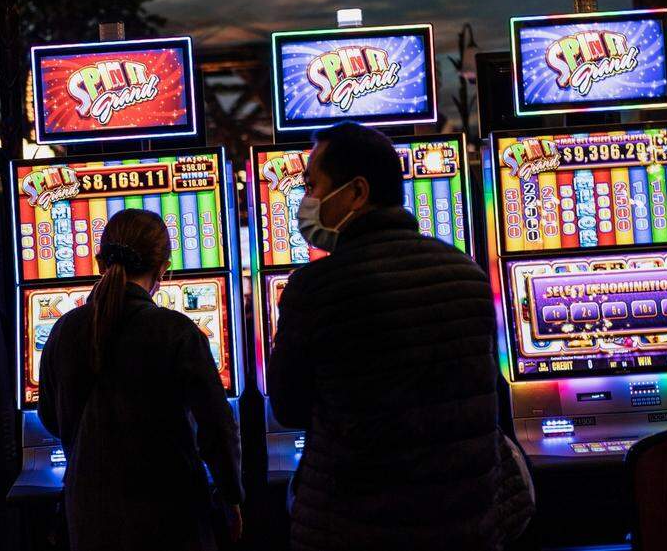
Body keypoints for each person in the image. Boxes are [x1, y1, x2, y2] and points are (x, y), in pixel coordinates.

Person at [268, 123, 532, 551]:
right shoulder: (466, 271)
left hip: (361, 524)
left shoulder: (316, 287)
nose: (306, 201)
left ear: (356, 192)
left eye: (312, 185)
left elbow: (288, 408)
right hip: (464, 521)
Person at [38, 209, 243, 551]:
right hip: (170, 510)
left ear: (100, 262)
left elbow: (50, 417)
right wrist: (231, 496)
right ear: (163, 267)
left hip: (89, 509)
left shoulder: (64, 329)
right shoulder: (177, 331)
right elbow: (217, 429)